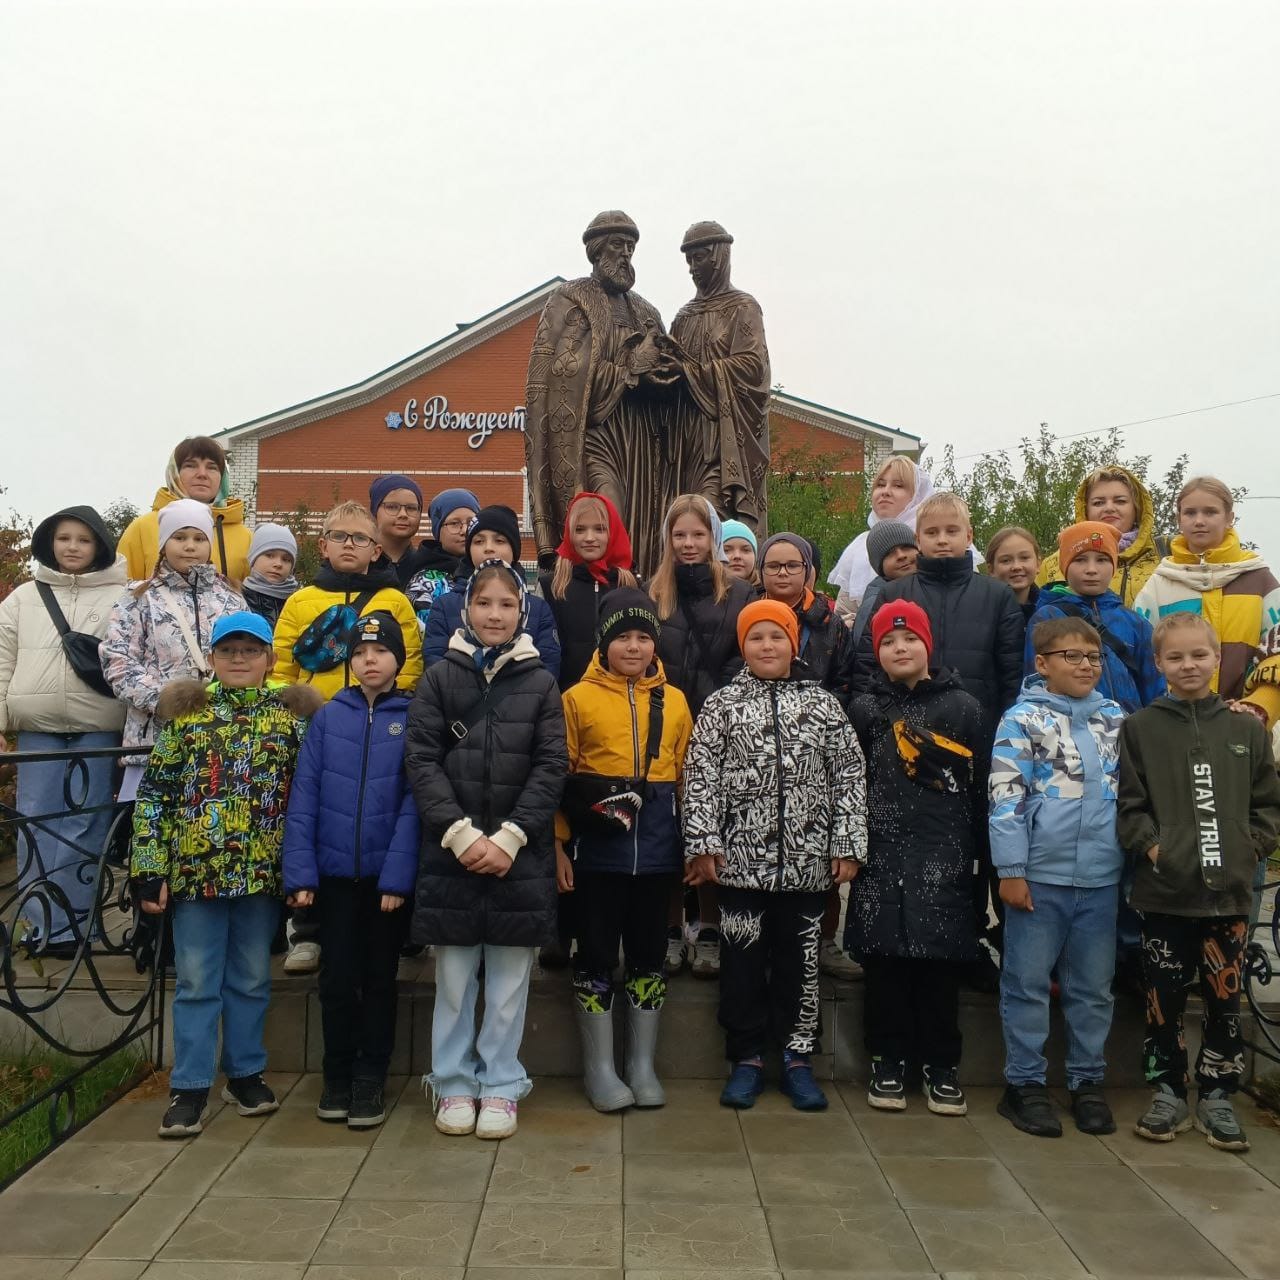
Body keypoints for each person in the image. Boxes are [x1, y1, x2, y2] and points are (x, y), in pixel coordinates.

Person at [131, 611, 320, 1138]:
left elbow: (307, 799)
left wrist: (301, 870)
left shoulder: (291, 719)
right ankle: (190, 1085)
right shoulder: (188, 717)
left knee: (252, 977)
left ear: (270, 659)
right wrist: (149, 868)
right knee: (196, 980)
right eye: (229, 651)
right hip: (196, 876)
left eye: (250, 650)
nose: (239, 659)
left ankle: (245, 1073)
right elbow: (155, 795)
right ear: (211, 658)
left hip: (262, 875)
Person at [682, 599, 866, 1112]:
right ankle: (746, 1057)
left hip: (808, 867)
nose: (767, 646)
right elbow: (700, 777)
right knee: (741, 966)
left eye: (777, 636)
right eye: (756, 637)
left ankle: (797, 1058)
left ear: (794, 643)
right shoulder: (721, 706)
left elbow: (849, 776)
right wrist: (703, 842)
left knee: (800, 966)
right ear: (743, 647)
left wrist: (847, 843)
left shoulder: (823, 706)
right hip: (740, 868)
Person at [405, 560, 567, 1140]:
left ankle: (501, 1082)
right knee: (453, 980)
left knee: (508, 982)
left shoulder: (541, 683)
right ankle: (452, 1080)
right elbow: (421, 759)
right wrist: (461, 834)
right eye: (483, 603)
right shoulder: (438, 679)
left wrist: (510, 837)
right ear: (466, 609)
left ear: (522, 611)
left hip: (518, 857)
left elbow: (551, 766)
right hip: (452, 853)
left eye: (506, 604)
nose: (494, 614)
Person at [850, 492, 1025, 982]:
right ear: (917, 538)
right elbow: (867, 665)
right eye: (932, 532)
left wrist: (1002, 738)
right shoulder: (894, 592)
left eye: (952, 531)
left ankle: (972, 944)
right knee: (910, 849)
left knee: (975, 845)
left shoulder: (995, 596)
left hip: (976, 739)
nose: (942, 540)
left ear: (969, 536)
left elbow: (1011, 675)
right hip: (899, 741)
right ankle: (898, 947)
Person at [1121, 614, 1280, 1152]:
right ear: (1158, 663)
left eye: (1198, 655)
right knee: (1162, 1000)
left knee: (1224, 1001)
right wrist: (1155, 848)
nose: (1188, 665)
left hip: (1228, 897)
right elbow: (1129, 806)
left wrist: (1250, 846)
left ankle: (1217, 1095)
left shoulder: (1245, 728)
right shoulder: (1141, 728)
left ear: (1217, 659)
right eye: (1175, 657)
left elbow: (1268, 804)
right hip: (1165, 894)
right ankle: (1167, 1090)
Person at [282, 612, 419, 1130]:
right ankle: (336, 1073)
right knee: (337, 979)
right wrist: (301, 874)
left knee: (379, 978)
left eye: (380, 651)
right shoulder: (328, 717)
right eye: (360, 652)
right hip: (334, 878)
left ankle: (370, 1075)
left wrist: (398, 878)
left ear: (398, 659)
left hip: (384, 882)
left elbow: (414, 803)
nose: (369, 660)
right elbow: (304, 797)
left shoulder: (412, 717)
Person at [557, 590, 693, 1111]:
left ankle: (641, 1065)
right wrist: (558, 845)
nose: (633, 647)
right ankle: (599, 1069)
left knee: (649, 954)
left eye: (643, 637)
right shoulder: (577, 698)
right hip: (596, 855)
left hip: (657, 853)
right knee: (594, 954)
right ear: (603, 643)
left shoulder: (675, 701)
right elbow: (559, 777)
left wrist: (693, 845)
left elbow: (686, 780)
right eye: (622, 638)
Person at [990, 617, 1125, 1138]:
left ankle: (1087, 1082)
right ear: (1042, 664)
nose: (1086, 665)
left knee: (1092, 988)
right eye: (1072, 656)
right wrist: (1011, 870)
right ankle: (1024, 1084)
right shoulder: (1021, 720)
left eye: (1094, 657)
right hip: (1039, 879)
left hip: (1100, 879)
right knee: (1026, 983)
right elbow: (1006, 797)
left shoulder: (1116, 719)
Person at [848, 602, 984, 1115]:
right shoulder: (865, 709)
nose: (899, 648)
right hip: (880, 853)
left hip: (944, 853)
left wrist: (979, 856)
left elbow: (980, 789)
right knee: (884, 963)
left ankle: (941, 1064)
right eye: (887, 641)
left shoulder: (964, 708)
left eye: (909, 639)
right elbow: (850, 781)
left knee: (938, 964)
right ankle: (887, 1060)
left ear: (928, 644)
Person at [0, 506, 126, 956]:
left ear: (100, 545)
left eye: (83, 539)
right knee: (35, 820)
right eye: (64, 538)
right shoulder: (22, 598)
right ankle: (39, 926)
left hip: (98, 725)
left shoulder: (124, 596)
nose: (72, 547)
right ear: (49, 543)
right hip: (37, 727)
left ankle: (75, 927)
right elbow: (2, 659)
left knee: (87, 821)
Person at [525, 210, 673, 575]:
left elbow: (664, 362)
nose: (626, 254)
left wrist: (663, 373)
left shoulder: (646, 310)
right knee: (605, 506)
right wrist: (629, 368)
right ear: (596, 251)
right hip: (592, 433)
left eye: (631, 247)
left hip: (639, 436)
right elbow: (564, 372)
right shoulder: (570, 300)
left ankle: (634, 587)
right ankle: (599, 585)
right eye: (618, 245)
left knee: (641, 521)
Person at [649, 495, 755, 979]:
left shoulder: (738, 593)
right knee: (667, 829)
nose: (689, 544)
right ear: (667, 540)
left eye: (698, 534)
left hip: (718, 725)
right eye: (680, 535)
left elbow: (743, 654)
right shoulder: (654, 592)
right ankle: (671, 924)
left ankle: (709, 926)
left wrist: (716, 704)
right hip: (664, 724)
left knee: (715, 826)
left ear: (713, 537)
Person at [759, 531, 857, 981]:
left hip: (818, 744)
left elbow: (847, 681)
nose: (782, 573)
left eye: (792, 565)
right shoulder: (748, 613)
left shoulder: (830, 622)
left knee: (820, 842)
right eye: (773, 565)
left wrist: (811, 715)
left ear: (807, 570)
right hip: (760, 745)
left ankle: (825, 938)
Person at [101, 499, 245, 802]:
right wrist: (165, 701)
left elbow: (247, 658)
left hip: (220, 740)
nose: (190, 546)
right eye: (179, 537)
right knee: (148, 825)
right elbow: (118, 660)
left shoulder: (232, 599)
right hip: (153, 742)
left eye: (199, 538)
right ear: (164, 543)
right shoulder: (138, 597)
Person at [1134, 476, 1280, 710]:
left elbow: (1276, 655)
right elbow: (1142, 658)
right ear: (1179, 519)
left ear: (1230, 518)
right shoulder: (1158, 585)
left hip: (1246, 719)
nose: (1199, 521)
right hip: (1174, 719)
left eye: (1210, 512)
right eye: (1190, 513)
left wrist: (1256, 707)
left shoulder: (1260, 581)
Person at [667, 221, 772, 533]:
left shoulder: (743, 307)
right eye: (688, 260)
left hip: (724, 437)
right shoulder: (684, 316)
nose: (693, 268)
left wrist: (691, 370)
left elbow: (753, 366)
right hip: (687, 437)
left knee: (709, 513)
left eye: (699, 258)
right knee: (684, 515)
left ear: (719, 256)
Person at [271, 500, 422, 701]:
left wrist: (390, 706)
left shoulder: (396, 602)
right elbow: (282, 669)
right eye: (338, 536)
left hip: (376, 711)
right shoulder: (298, 602)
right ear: (324, 546)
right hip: (313, 713)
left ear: (376, 552)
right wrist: (287, 708)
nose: (349, 544)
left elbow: (409, 665)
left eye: (360, 538)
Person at [1026, 522, 1164, 714]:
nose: (1091, 569)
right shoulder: (1048, 617)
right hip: (1067, 727)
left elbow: (1155, 688)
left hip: (1129, 727)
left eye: (1102, 560)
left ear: (1114, 565)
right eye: (1080, 560)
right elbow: (1035, 681)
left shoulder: (1134, 622)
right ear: (1064, 565)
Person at [422, 505, 562, 680]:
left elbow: (548, 669)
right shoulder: (444, 606)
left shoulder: (538, 609)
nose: (488, 548)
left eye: (499, 541)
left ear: (514, 549)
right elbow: (434, 664)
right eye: (479, 541)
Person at [540, 491, 640, 691]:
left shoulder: (630, 585)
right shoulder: (552, 586)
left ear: (612, 533)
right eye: (580, 530)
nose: (589, 538)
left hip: (617, 696)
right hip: (565, 695)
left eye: (599, 529)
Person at [117, 435, 252, 582]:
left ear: (223, 477)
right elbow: (121, 588)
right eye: (191, 465)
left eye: (212, 467)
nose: (202, 474)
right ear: (174, 472)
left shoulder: (246, 537)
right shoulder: (141, 528)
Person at [1037, 465, 1165, 607]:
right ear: (1086, 509)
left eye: (1120, 501)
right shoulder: (1052, 564)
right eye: (1098, 503)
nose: (1109, 508)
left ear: (1136, 508)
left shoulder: (1165, 556)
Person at [830, 457, 936, 624]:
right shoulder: (861, 546)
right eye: (880, 485)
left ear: (918, 496)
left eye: (898, 485)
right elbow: (844, 614)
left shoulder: (938, 542)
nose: (885, 492)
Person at [406, 487, 481, 622]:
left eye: (471, 522)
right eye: (454, 523)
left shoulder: (492, 571)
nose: (464, 530)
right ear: (438, 531)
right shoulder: (424, 582)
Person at [849, 520, 918, 648]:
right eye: (889, 553)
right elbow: (865, 654)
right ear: (879, 567)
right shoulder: (875, 602)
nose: (901, 555)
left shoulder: (936, 585)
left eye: (906, 547)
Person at [370, 474, 431, 590]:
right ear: (375, 512)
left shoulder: (428, 567)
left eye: (411, 508)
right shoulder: (360, 564)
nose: (403, 514)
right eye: (392, 507)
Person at [240, 523, 300, 630]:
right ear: (253, 557)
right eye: (270, 555)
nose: (278, 564)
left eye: (286, 559)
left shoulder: (300, 602)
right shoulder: (236, 601)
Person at [986, 526, 1042, 622]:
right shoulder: (979, 613)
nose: (1016, 566)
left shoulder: (1054, 610)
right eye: (1006, 560)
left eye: (1024, 558)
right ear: (991, 569)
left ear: (1038, 564)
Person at [721, 520, 759, 585]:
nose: (737, 556)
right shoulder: (703, 590)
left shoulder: (770, 590)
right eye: (726, 550)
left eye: (746, 550)